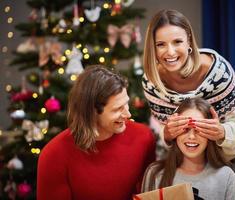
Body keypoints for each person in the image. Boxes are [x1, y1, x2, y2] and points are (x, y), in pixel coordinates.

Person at [142, 9, 235, 199]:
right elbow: (168, 131)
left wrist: (221, 132)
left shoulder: (218, 72)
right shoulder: (152, 83)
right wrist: (168, 133)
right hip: (196, 156)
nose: (170, 51)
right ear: (153, 48)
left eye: (177, 42)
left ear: (189, 40)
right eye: (161, 44)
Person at [37, 65, 156, 200]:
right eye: (117, 109)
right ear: (92, 112)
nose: (128, 114)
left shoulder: (143, 137)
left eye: (126, 104)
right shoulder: (54, 155)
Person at [142, 98, 235, 200]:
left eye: (198, 129)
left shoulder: (226, 176)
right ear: (174, 132)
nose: (191, 136)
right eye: (185, 129)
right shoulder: (155, 173)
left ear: (211, 133)